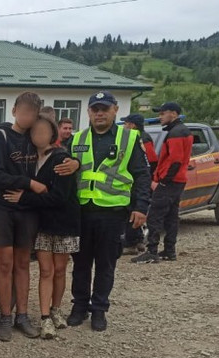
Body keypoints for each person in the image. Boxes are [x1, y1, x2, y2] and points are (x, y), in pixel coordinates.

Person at [0, 92, 79, 341]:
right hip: (1, 208)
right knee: (4, 264)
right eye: (23, 112)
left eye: (31, 114)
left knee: (24, 264)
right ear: (14, 110)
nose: (27, 119)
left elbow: (56, 152)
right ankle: (5, 317)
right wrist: (30, 183)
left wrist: (75, 162)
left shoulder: (32, 138)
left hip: (27, 211)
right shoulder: (0, 137)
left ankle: (22, 316)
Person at [65, 91, 151, 331]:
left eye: (104, 108)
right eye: (95, 109)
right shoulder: (76, 138)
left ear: (115, 110)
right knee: (80, 264)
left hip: (112, 213)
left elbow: (143, 175)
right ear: (89, 112)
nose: (99, 113)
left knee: (105, 265)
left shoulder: (130, 138)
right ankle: (79, 306)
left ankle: (99, 309)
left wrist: (141, 207)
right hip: (82, 212)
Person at [132, 103, 193, 263]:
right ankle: (169, 251)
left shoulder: (176, 133)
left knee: (154, 217)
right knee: (171, 217)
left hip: (170, 182)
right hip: (178, 181)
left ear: (173, 114)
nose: (160, 117)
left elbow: (175, 160)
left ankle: (152, 252)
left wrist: (162, 181)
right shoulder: (181, 131)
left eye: (162, 114)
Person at [121, 113, 158, 255]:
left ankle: (132, 243)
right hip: (135, 181)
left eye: (126, 123)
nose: (124, 126)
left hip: (139, 181)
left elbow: (151, 161)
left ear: (132, 125)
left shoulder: (141, 138)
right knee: (132, 212)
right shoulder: (134, 137)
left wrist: (150, 180)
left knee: (133, 211)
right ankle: (138, 240)